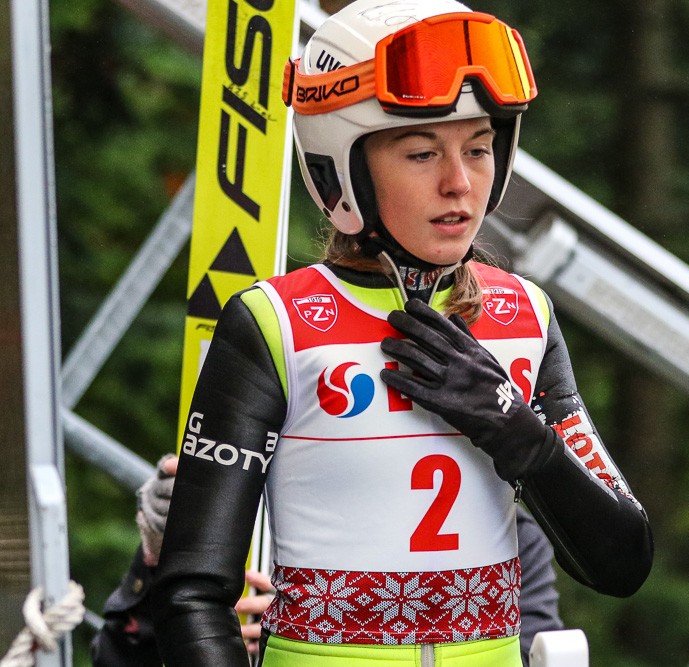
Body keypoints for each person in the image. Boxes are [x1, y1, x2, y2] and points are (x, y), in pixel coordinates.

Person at [151, 1, 654, 664]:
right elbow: (191, 595)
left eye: (479, 148)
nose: (459, 184)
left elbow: (623, 562)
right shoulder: (274, 324)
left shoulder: (525, 314)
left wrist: (517, 433)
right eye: (421, 153)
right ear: (342, 169)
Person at [91, 456, 563, 665]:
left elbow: (535, 657)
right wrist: (164, 560)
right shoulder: (249, 511)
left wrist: (328, 623)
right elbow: (116, 659)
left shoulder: (506, 535)